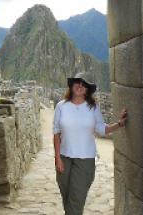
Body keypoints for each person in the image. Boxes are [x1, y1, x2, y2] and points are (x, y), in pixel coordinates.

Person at [53, 72, 127, 215]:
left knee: (76, 200)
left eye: (84, 84)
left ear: (87, 90)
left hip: (85, 160)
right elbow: (56, 133)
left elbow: (101, 129)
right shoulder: (61, 106)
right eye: (78, 82)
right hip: (64, 158)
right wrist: (57, 158)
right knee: (67, 197)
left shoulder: (92, 108)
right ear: (72, 85)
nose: (80, 86)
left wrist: (119, 124)